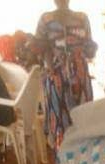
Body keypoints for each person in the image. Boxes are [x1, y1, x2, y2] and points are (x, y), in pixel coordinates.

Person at [32, 0, 97, 149]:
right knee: (60, 122)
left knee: (82, 119)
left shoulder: (81, 18)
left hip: (78, 75)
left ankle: (80, 156)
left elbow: (90, 48)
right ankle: (65, 158)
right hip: (57, 75)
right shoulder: (47, 19)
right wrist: (51, 67)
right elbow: (39, 48)